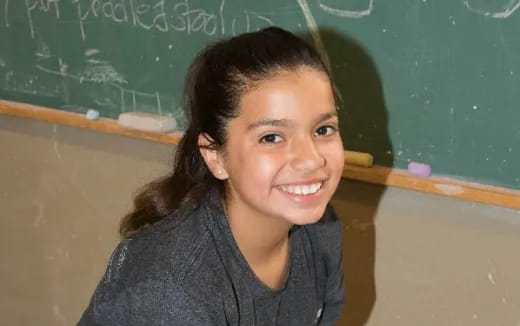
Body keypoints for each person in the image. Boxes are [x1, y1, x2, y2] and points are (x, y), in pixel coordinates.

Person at [78, 26, 345, 325]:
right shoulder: (172, 292)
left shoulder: (320, 230)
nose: (311, 159)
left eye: (323, 130)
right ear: (215, 156)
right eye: (271, 137)